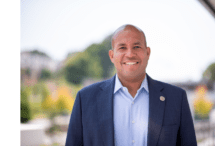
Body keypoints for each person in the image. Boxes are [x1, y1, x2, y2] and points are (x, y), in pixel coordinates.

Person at [65, 24, 197, 146]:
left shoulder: (176, 98)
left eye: (137, 47)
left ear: (147, 53)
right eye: (122, 47)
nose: (130, 54)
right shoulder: (86, 99)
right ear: (112, 55)